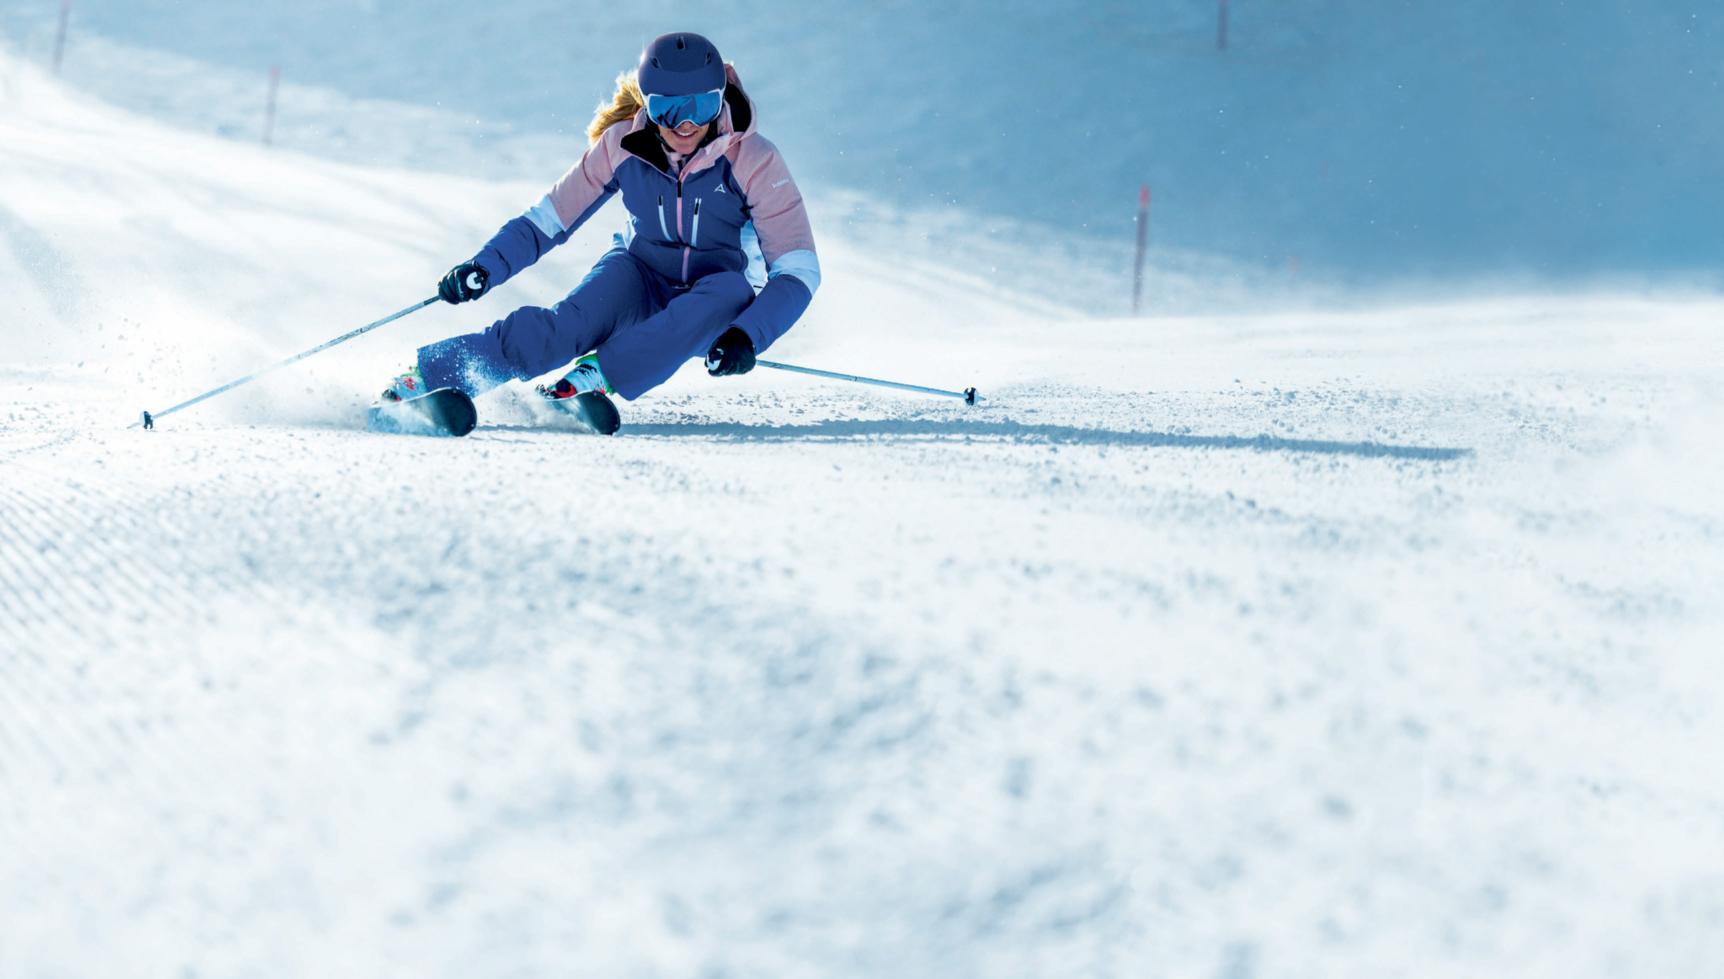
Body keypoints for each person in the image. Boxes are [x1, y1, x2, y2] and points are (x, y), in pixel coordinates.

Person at [380, 31, 821, 434]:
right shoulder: (621, 145)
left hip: (716, 303)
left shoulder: (755, 160)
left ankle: (592, 377)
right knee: (567, 325)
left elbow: (797, 270)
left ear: (719, 100)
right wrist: (485, 266)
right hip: (640, 274)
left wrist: (748, 334)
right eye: (668, 109)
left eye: (700, 107)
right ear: (648, 104)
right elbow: (550, 219)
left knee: (728, 289)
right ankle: (426, 379)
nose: (685, 124)